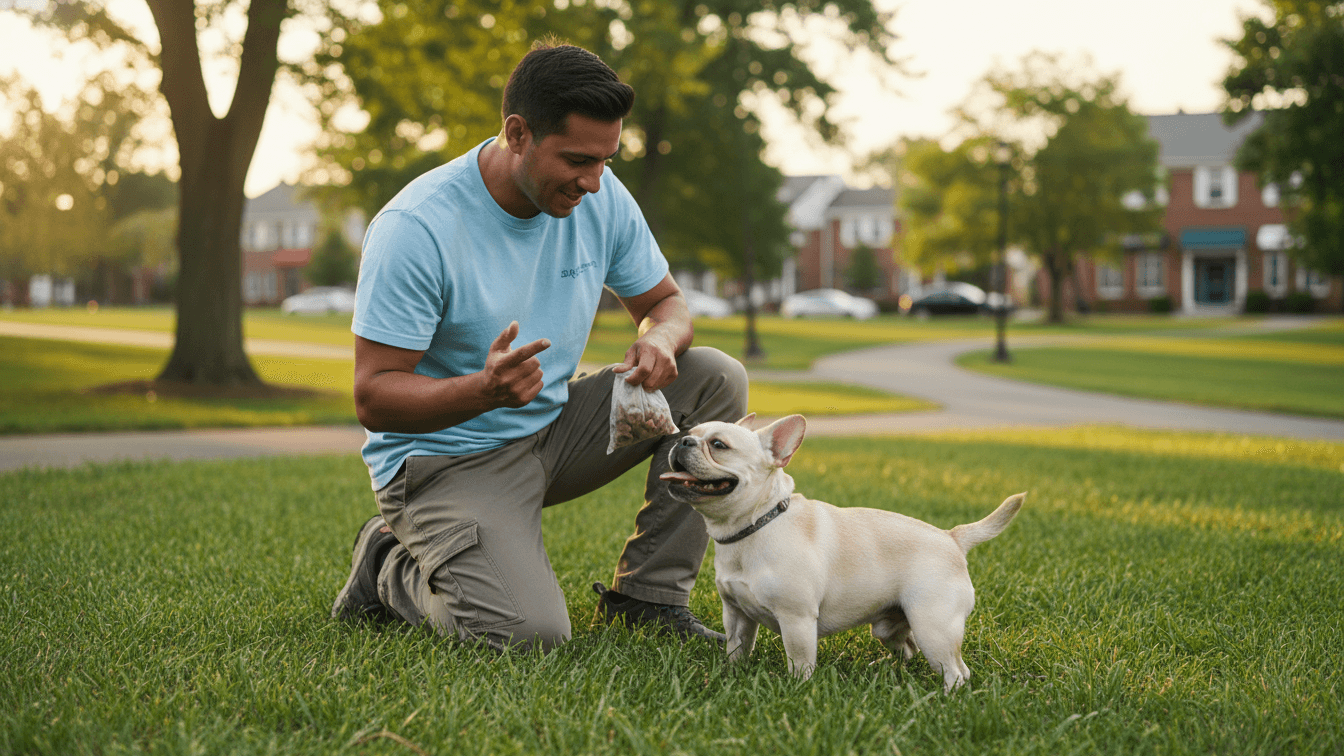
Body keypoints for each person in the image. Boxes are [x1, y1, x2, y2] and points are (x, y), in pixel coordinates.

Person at [330, 41, 748, 653]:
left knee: (714, 375)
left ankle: (649, 599)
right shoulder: (416, 228)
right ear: (517, 133)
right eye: (578, 160)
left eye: (606, 160)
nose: (594, 182)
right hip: (446, 461)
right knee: (530, 636)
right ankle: (387, 566)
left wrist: (659, 336)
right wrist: (483, 391)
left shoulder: (600, 195)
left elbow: (667, 302)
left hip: (552, 431)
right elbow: (373, 397)